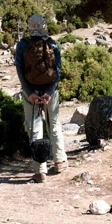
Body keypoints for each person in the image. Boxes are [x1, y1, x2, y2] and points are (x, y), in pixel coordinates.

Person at [15, 14, 67, 182]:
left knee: (35, 129)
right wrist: (50, 93)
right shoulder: (52, 43)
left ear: (30, 26)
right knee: (54, 125)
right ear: (44, 25)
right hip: (50, 94)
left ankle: (40, 171)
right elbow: (58, 70)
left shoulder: (22, 45)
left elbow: (20, 71)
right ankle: (59, 161)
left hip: (31, 94)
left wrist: (30, 92)